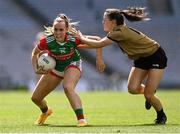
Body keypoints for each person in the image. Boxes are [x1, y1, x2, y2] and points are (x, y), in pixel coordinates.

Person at [72, 7, 167, 124]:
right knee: (132, 89)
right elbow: (97, 44)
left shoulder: (119, 32)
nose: (103, 22)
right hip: (141, 59)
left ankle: (161, 115)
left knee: (148, 95)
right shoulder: (116, 32)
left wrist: (80, 38)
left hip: (155, 56)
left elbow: (98, 44)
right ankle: (151, 93)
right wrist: (78, 45)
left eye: (104, 20)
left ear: (112, 22)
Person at [31, 13, 105, 127]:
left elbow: (97, 40)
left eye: (61, 29)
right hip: (56, 67)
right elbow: (34, 53)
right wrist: (36, 68)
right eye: (55, 29)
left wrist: (99, 59)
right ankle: (46, 112)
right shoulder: (47, 41)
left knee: (68, 87)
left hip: (72, 63)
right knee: (35, 98)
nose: (58, 32)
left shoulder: (73, 38)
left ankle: (81, 120)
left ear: (66, 29)